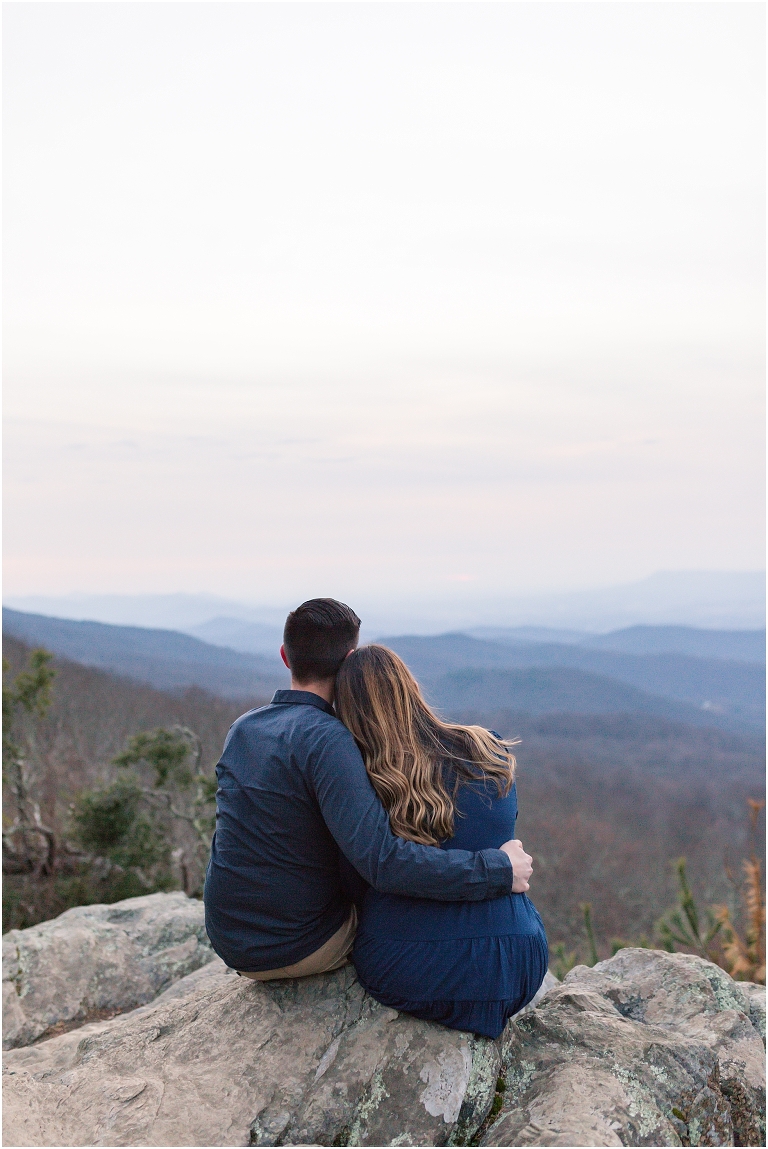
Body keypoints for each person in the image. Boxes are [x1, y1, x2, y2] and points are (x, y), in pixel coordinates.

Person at [203, 598, 533, 980]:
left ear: (284, 656)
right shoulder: (329, 740)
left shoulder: (244, 727)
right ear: (351, 661)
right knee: (397, 910)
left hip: (230, 939)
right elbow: (384, 863)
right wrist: (497, 869)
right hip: (299, 946)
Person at [334, 643, 548, 1039]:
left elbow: (354, 879)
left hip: (410, 961)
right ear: (412, 688)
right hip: (519, 962)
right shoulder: (489, 749)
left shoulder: (367, 782)